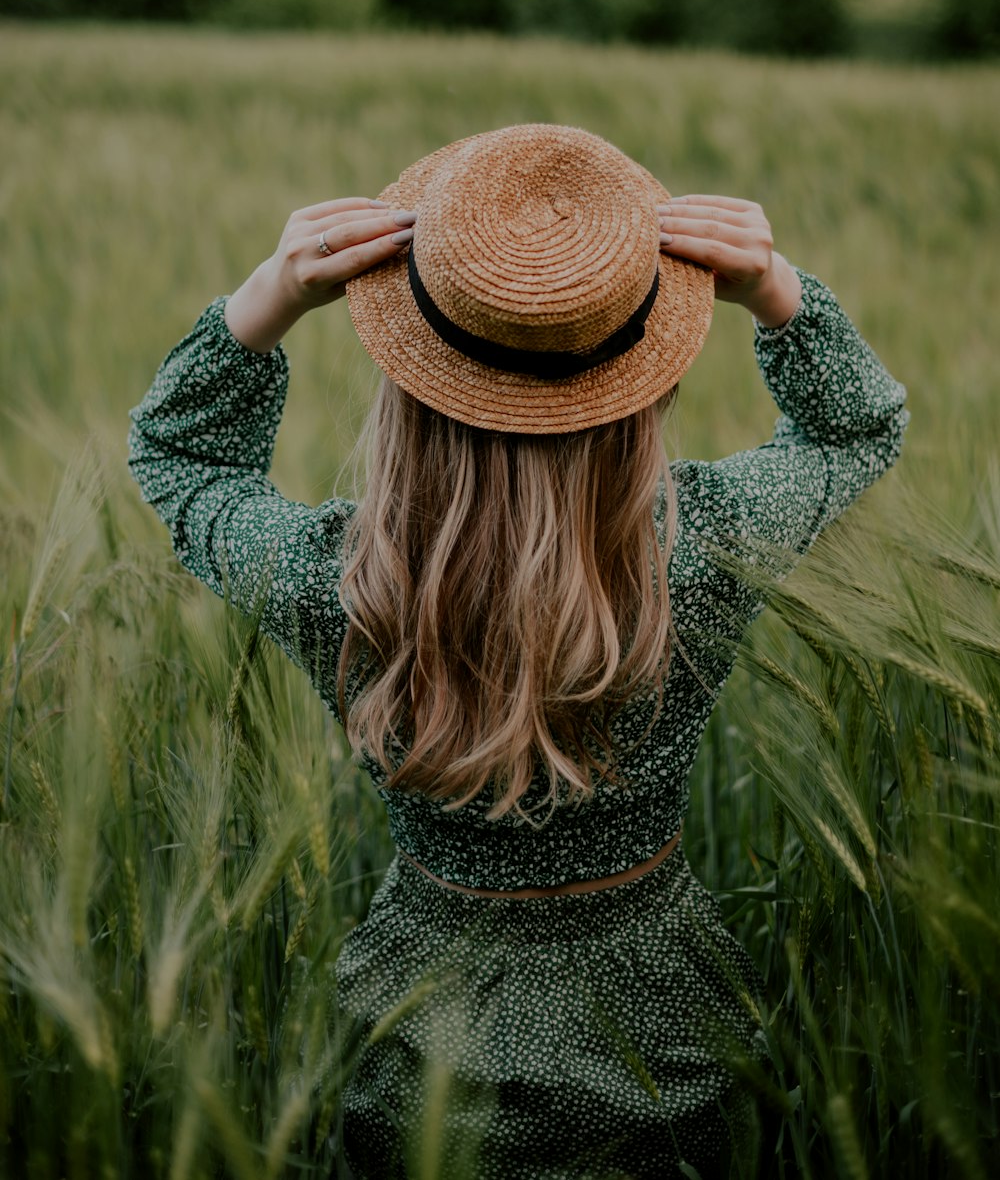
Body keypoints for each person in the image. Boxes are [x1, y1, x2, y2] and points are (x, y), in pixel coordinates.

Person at [128, 124, 908, 1179]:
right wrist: (777, 291)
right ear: (647, 382)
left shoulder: (337, 579)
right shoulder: (707, 547)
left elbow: (178, 456)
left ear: (406, 383)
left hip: (419, 1046)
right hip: (667, 1031)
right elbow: (853, 430)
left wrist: (266, 299)